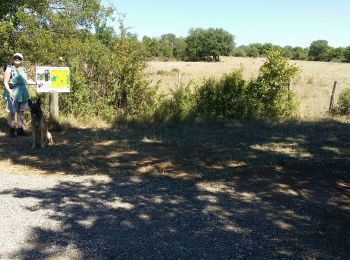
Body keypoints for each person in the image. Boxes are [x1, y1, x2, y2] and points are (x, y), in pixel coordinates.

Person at [3, 53, 37, 137]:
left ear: (22, 60)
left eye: (19, 58)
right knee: (12, 112)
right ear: (13, 59)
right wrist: (9, 91)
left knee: (21, 112)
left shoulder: (23, 69)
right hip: (13, 93)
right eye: (15, 58)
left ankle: (20, 130)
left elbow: (27, 81)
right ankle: (12, 131)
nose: (17, 60)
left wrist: (36, 83)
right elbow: (5, 82)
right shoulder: (9, 69)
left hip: (23, 93)